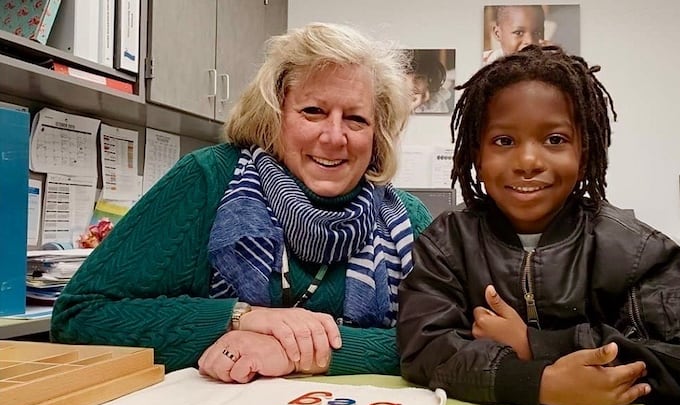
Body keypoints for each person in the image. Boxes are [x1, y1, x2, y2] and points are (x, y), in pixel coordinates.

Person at [50, 22, 432, 384]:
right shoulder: (207, 179)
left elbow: (446, 344)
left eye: (356, 119)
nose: (334, 136)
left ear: (378, 134)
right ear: (274, 114)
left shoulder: (405, 219)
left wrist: (300, 352)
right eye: (313, 111)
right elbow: (80, 317)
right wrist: (238, 318)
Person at [397, 45, 680, 405]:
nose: (528, 161)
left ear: (584, 151)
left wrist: (534, 344)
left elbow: (677, 374)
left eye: (555, 139)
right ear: (477, 155)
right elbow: (424, 351)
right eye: (504, 141)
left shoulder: (642, 252)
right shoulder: (446, 242)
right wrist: (538, 381)